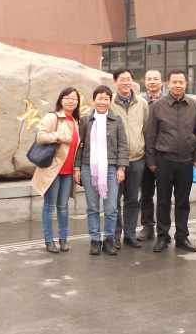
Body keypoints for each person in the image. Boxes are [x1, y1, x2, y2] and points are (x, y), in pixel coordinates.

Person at [145, 69, 196, 253]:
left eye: (181, 82)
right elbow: (151, 135)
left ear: (186, 84)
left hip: (186, 161)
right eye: (174, 82)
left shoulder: (193, 105)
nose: (178, 85)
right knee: (163, 201)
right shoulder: (158, 106)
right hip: (164, 160)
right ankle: (162, 237)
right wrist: (151, 161)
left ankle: (182, 237)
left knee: (183, 202)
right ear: (168, 84)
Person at [74, 85, 128, 255]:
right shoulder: (86, 120)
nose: (103, 102)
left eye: (106, 99)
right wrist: (77, 167)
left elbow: (122, 145)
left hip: (111, 169)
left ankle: (109, 239)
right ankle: (95, 240)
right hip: (88, 168)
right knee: (92, 208)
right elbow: (79, 146)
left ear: (110, 101)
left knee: (111, 208)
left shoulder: (117, 120)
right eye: (100, 98)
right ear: (94, 100)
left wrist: (121, 167)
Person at [30, 87, 81, 254]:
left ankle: (63, 239)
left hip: (68, 173)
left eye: (74, 98)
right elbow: (40, 136)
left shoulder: (76, 121)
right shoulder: (52, 117)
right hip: (52, 171)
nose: (71, 101)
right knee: (49, 206)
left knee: (63, 206)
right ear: (61, 100)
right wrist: (59, 136)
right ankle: (49, 240)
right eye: (67, 98)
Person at [111, 68, 149, 249]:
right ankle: (115, 235)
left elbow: (145, 128)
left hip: (136, 158)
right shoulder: (109, 102)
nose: (126, 82)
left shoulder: (142, 103)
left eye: (128, 79)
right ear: (115, 82)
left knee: (132, 200)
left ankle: (130, 234)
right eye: (122, 79)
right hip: (114, 161)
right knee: (114, 200)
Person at [137, 69, 163, 241]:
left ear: (162, 81)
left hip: (163, 155)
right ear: (144, 82)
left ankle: (163, 228)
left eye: (156, 79)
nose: (152, 82)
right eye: (149, 79)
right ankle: (147, 226)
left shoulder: (168, 101)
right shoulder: (139, 103)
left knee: (163, 195)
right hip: (144, 154)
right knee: (146, 194)